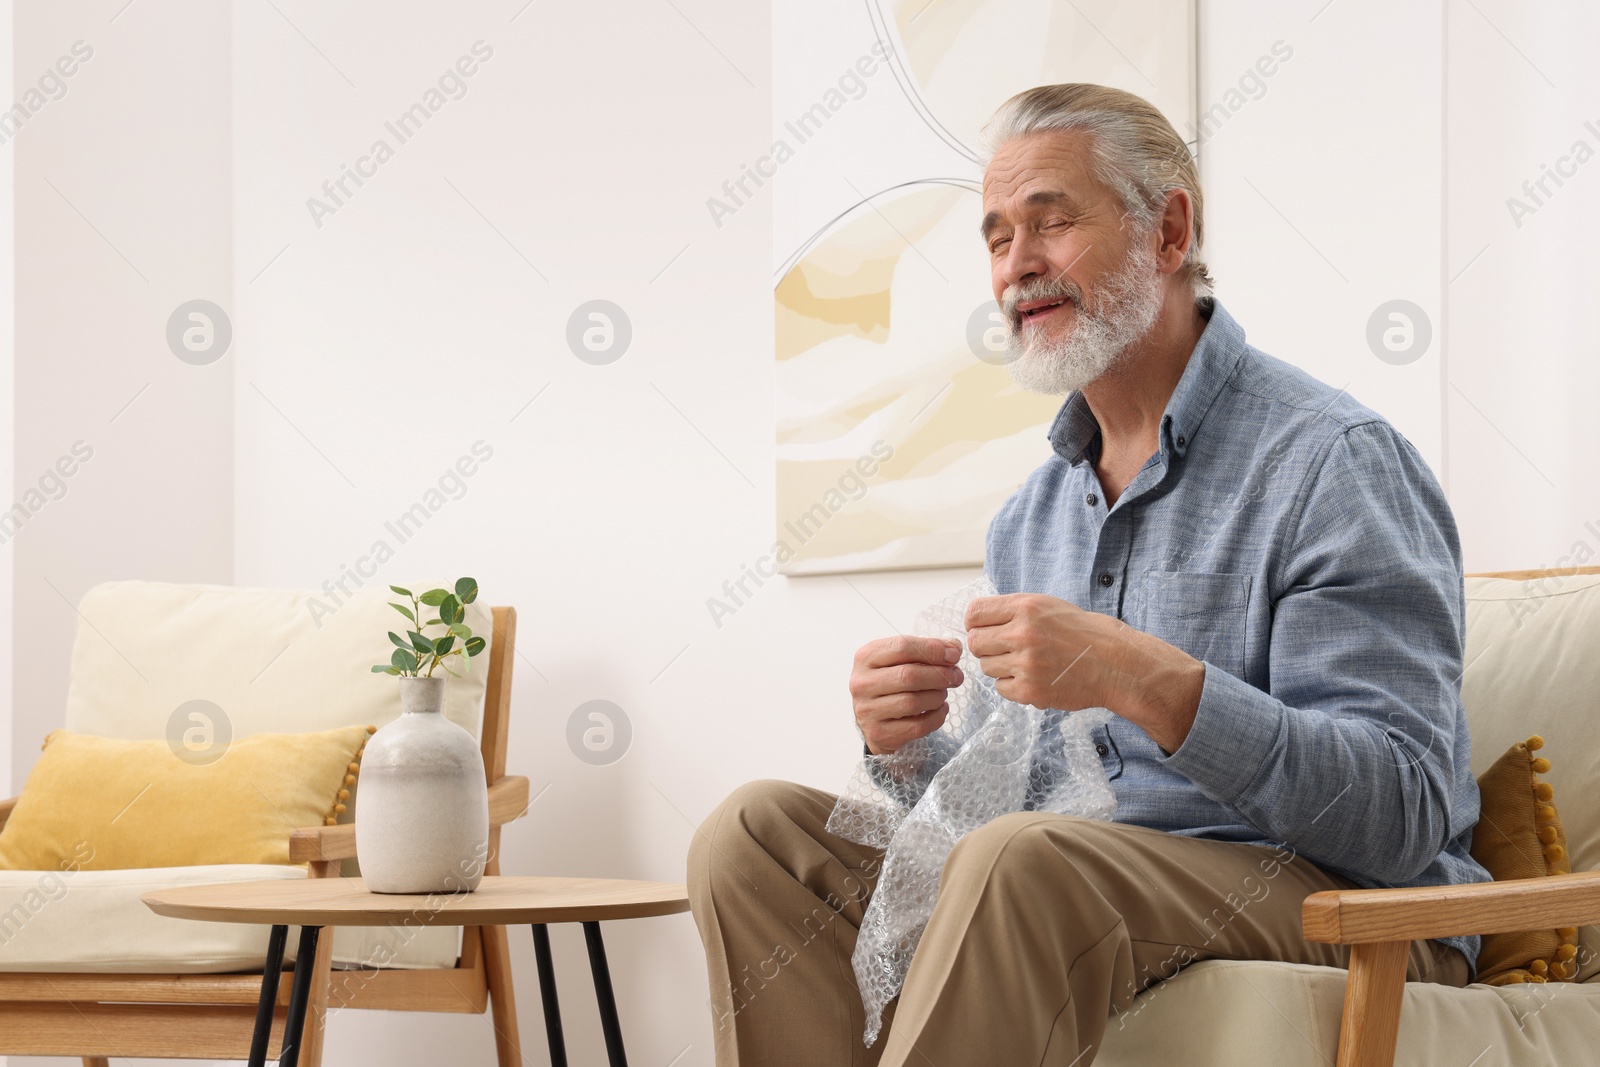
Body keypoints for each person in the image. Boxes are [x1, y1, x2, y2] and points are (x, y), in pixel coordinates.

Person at [687, 82, 1490, 1066]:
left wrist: (1142, 678)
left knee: (1027, 858)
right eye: (993, 238)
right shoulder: (1033, 515)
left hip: (1332, 899)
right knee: (754, 834)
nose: (1015, 265)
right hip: (1068, 876)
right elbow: (986, 815)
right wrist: (905, 748)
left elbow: (1400, 811)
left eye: (1049, 222)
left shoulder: (1332, 462)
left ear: (1167, 229)